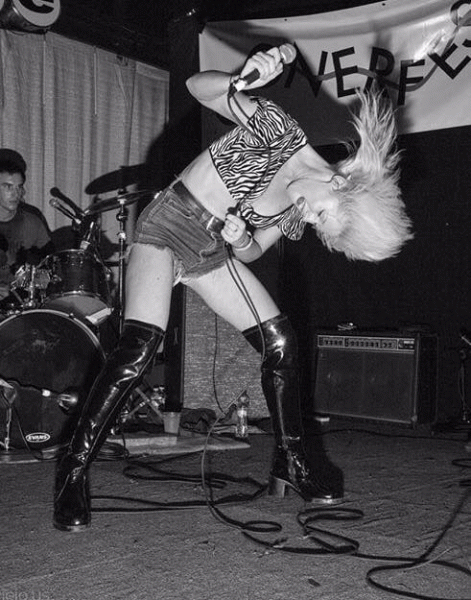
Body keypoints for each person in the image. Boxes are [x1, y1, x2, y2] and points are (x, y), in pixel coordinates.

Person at [53, 47, 413, 532]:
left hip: (209, 253)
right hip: (169, 225)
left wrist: (242, 239)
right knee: (139, 347)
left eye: (318, 225)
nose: (309, 218)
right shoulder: (278, 132)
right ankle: (72, 471)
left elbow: (253, 251)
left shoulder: (297, 209)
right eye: (322, 215)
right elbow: (197, 87)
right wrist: (242, 79)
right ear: (339, 182)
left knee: (280, 342)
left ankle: (291, 460)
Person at [0, 149, 54, 304]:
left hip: (20, 306)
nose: (16, 193)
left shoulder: (32, 222)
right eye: (8, 187)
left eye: (19, 187)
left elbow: (51, 269)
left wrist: (24, 286)